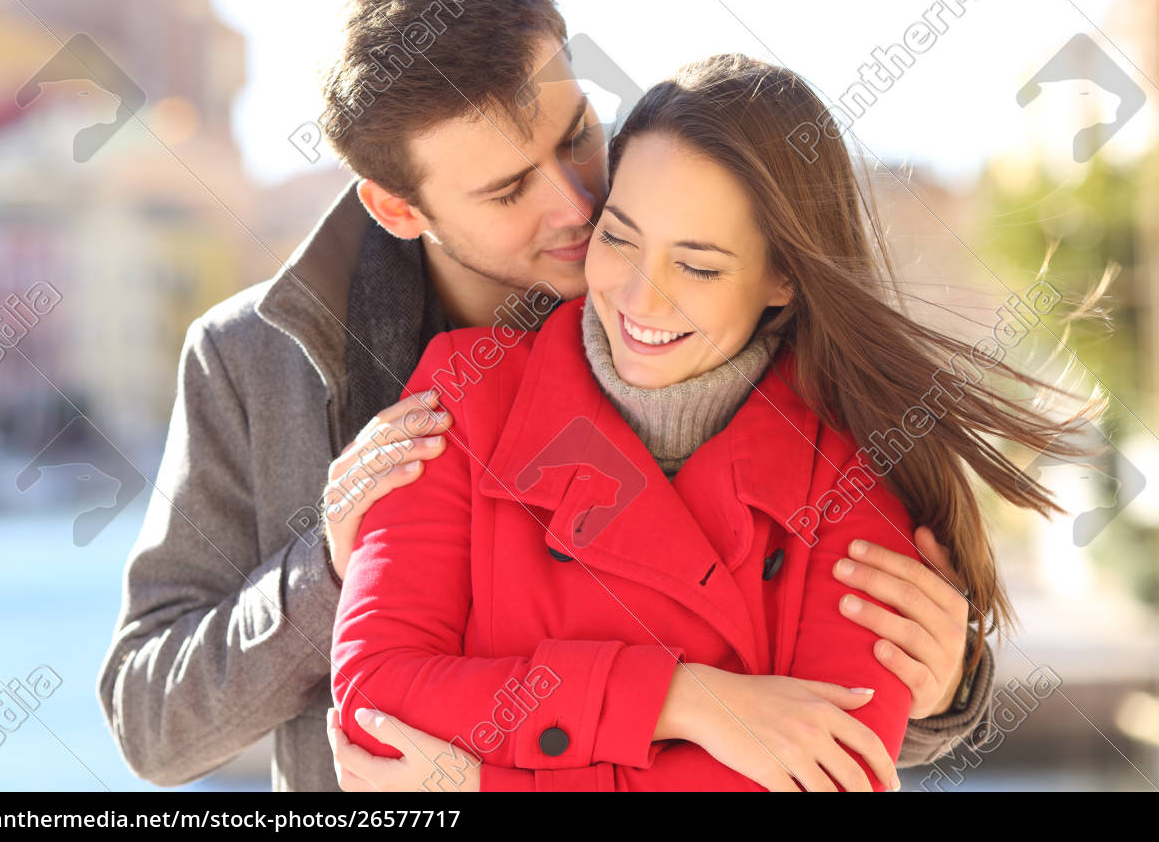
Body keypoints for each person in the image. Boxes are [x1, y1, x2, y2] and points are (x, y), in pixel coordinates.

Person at [97, 0, 994, 792]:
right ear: (398, 208)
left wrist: (949, 680)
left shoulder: (698, 254)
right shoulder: (257, 359)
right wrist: (328, 572)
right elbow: (153, 723)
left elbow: (820, 740)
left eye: (574, 136)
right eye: (507, 189)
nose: (578, 204)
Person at [327, 53, 1094, 791]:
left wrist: (488, 782)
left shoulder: (857, 469)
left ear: (783, 278)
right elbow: (374, 700)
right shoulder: (466, 394)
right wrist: (686, 700)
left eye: (697, 265)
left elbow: (831, 776)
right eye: (619, 235)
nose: (640, 298)